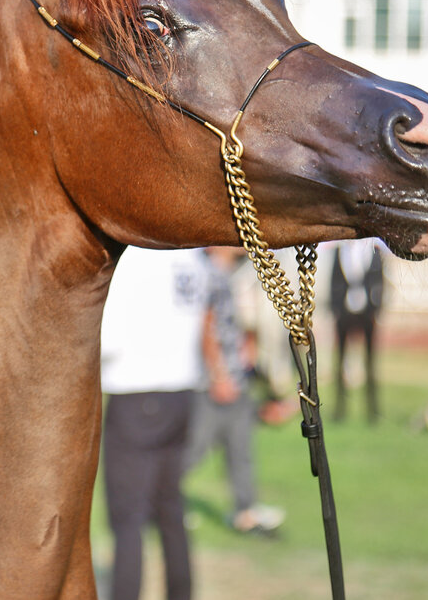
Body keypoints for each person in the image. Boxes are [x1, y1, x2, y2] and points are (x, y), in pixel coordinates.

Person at [101, 246, 209, 600]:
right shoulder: (191, 256)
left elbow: (108, 338)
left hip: (137, 389)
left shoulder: (136, 257)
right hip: (181, 390)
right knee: (169, 508)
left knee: (128, 517)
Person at [184, 246, 285, 535]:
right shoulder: (207, 273)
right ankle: (158, 504)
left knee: (241, 449)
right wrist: (218, 375)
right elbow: (204, 326)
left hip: (235, 380)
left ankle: (246, 513)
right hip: (213, 383)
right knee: (193, 450)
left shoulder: (228, 274)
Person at [329, 238, 385, 423]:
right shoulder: (339, 251)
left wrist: (376, 309)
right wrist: (336, 309)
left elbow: (380, 282)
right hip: (345, 312)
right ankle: (339, 410)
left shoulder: (375, 252)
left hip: (366, 313)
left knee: (370, 362)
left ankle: (373, 410)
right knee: (340, 363)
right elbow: (334, 279)